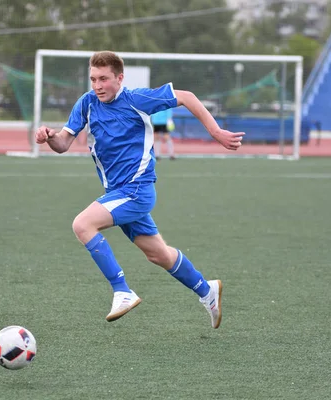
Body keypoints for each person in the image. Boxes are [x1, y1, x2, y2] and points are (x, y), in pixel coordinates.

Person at [35, 51, 244, 329]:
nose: (98, 85)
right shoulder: (86, 103)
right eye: (93, 79)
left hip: (137, 190)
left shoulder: (136, 99)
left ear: (119, 78)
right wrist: (49, 136)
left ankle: (122, 290)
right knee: (159, 255)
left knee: (82, 225)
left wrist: (216, 132)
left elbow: (187, 97)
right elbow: (63, 143)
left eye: (104, 79)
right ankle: (207, 292)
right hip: (117, 194)